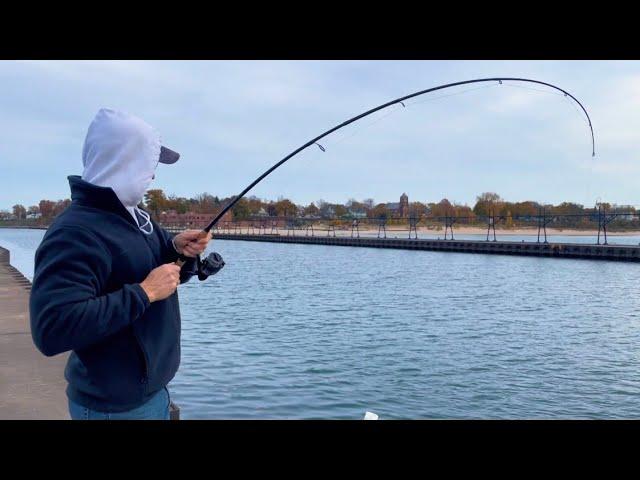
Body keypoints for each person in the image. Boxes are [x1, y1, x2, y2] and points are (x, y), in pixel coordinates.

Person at [29, 108, 212, 420]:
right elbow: (52, 328)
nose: (153, 175)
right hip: (113, 407)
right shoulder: (75, 232)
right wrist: (144, 293)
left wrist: (175, 249)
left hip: (150, 393)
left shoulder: (136, 217)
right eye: (149, 165)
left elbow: (149, 272)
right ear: (127, 163)